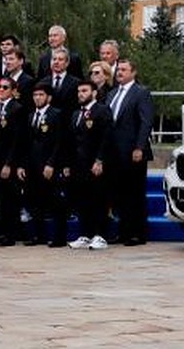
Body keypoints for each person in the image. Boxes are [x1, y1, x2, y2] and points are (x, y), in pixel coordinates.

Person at [107, 58, 154, 246]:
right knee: (119, 194)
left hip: (133, 151)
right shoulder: (111, 94)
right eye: (118, 69)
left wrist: (139, 147)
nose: (119, 73)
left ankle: (137, 233)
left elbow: (146, 122)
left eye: (124, 70)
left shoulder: (141, 93)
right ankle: (123, 232)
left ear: (133, 73)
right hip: (115, 152)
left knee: (135, 193)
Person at [17, 81, 68, 247]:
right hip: (32, 165)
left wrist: (51, 163)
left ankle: (59, 237)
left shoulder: (56, 114)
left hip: (49, 165)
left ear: (49, 97)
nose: (37, 98)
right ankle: (39, 235)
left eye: (41, 95)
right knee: (35, 201)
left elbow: (60, 142)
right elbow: (25, 143)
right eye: (35, 95)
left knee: (55, 201)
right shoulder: (31, 116)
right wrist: (22, 165)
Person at [67, 79, 113, 251]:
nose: (81, 94)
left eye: (84, 91)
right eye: (79, 91)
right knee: (82, 200)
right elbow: (73, 140)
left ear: (93, 93)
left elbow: (106, 137)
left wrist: (100, 160)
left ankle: (101, 235)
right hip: (79, 165)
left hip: (96, 163)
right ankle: (85, 234)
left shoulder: (102, 110)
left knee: (99, 200)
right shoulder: (76, 114)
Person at [0, 76, 27, 247]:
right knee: (0, 196)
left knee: (10, 197)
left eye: (5, 87)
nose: (1, 90)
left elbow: (18, 140)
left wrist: (9, 164)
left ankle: (11, 234)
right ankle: (2, 231)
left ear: (13, 90)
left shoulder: (17, 108)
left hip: (8, 160)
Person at [46, 47, 81, 114]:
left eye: (60, 59)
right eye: (54, 59)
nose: (56, 62)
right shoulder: (43, 82)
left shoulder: (76, 83)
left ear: (67, 63)